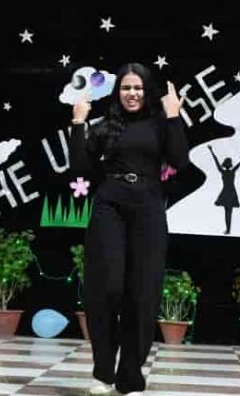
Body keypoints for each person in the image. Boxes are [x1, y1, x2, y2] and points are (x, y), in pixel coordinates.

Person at [69, 63, 188, 396]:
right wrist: (78, 122)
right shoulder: (106, 126)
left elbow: (180, 160)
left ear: (146, 91)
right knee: (106, 286)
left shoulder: (160, 124)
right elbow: (79, 167)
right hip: (109, 207)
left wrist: (174, 116)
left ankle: (130, 376)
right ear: (117, 92)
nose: (132, 94)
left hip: (148, 210)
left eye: (137, 88)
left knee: (143, 294)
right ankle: (103, 371)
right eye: (125, 88)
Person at [208, 145, 240, 235]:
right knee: (229, 213)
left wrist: (211, 151)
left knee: (227, 212)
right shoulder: (232, 171)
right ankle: (228, 230)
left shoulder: (223, 171)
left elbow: (216, 161)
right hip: (231, 192)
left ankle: (228, 230)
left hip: (226, 192)